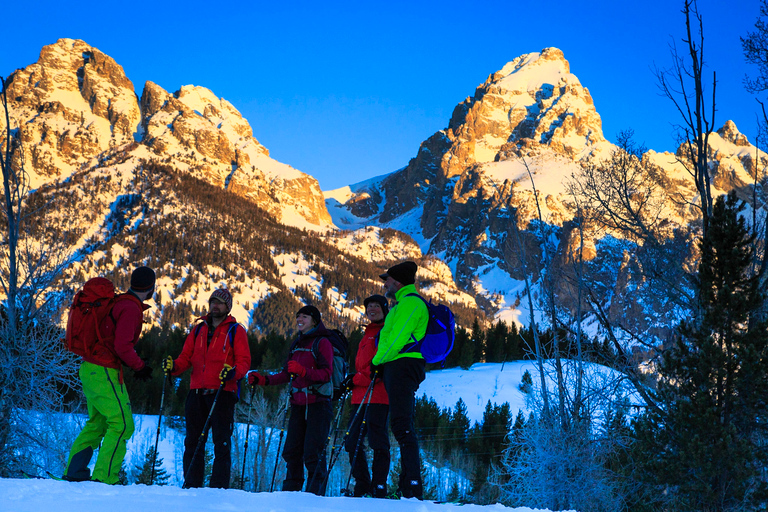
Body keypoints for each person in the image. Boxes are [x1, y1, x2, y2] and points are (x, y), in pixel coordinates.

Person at [64, 266, 156, 484]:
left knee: (98, 423)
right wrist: (140, 366)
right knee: (122, 424)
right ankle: (105, 479)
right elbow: (122, 346)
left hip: (90, 368)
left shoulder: (118, 301)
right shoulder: (130, 308)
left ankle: (75, 472)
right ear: (151, 288)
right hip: (104, 370)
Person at [162, 288, 251, 489]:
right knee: (193, 442)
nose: (215, 306)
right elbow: (186, 358)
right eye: (213, 302)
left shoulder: (236, 330)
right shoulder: (198, 330)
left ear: (228, 307)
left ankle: (218, 489)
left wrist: (233, 372)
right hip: (196, 393)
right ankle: (192, 485)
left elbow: (244, 362)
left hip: (222, 393)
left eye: (220, 302)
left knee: (222, 443)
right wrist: (174, 367)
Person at [247, 305, 333, 496]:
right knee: (292, 451)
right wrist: (264, 380)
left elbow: (327, 374)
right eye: (297, 317)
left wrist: (303, 372)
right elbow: (287, 374)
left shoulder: (323, 343)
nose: (299, 320)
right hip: (298, 404)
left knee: (313, 453)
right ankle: (290, 495)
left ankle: (314, 496)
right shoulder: (297, 344)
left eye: (304, 316)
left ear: (314, 320)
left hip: (318, 404)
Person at [371, 261, 428, 499]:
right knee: (400, 425)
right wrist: (381, 362)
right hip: (397, 365)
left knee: (402, 426)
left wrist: (376, 362)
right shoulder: (401, 305)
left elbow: (396, 340)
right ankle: (408, 485)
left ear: (398, 282)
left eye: (387, 280)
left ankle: (412, 488)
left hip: (404, 365)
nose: (385, 283)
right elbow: (388, 339)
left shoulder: (411, 304)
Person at [343, 294, 391, 498]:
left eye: (376, 306)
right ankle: (362, 484)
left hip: (378, 396)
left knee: (377, 442)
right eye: (369, 306)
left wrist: (357, 379)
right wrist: (353, 380)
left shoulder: (386, 331)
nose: (372, 309)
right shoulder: (366, 334)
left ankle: (379, 485)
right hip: (360, 397)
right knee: (351, 441)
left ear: (384, 308)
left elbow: (379, 369)